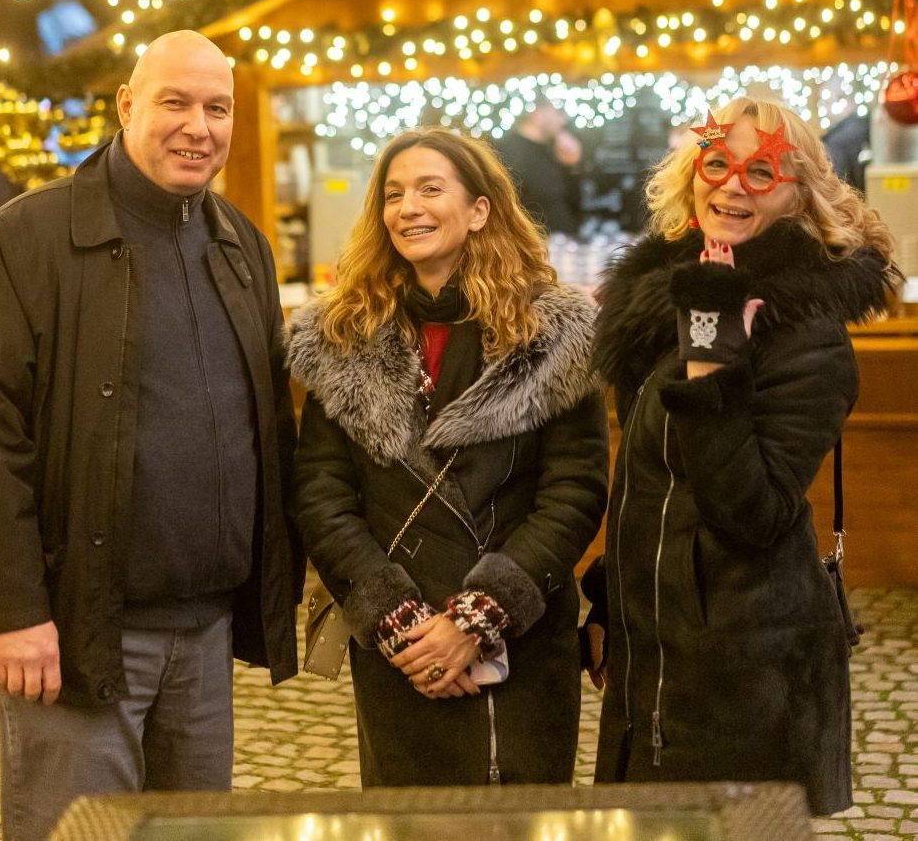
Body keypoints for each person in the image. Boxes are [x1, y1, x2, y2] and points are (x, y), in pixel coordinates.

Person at [0, 30, 304, 839]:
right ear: (127, 105)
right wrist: (9, 610)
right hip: (72, 630)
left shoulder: (242, 243)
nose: (198, 126)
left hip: (204, 633)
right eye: (175, 101)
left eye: (218, 108)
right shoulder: (27, 238)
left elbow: (268, 426)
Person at [582, 97, 899, 815]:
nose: (731, 186)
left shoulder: (807, 331)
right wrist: (611, 593)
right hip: (651, 659)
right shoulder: (667, 298)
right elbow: (654, 482)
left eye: (762, 172)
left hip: (746, 681)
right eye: (717, 163)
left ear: (798, 192)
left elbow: (749, 512)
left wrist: (714, 363)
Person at [289, 127, 609, 786]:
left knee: (520, 819)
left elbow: (574, 491)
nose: (409, 207)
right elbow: (322, 494)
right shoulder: (344, 335)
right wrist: (400, 621)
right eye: (395, 193)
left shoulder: (553, 333)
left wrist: (478, 617)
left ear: (480, 208)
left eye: (431, 188)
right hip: (396, 643)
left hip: (519, 630)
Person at [496, 94, 583, 235]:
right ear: (538, 115)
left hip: (561, 245)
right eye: (558, 113)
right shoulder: (512, 151)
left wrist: (572, 166)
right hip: (535, 248)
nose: (563, 121)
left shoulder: (551, 149)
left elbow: (568, 199)